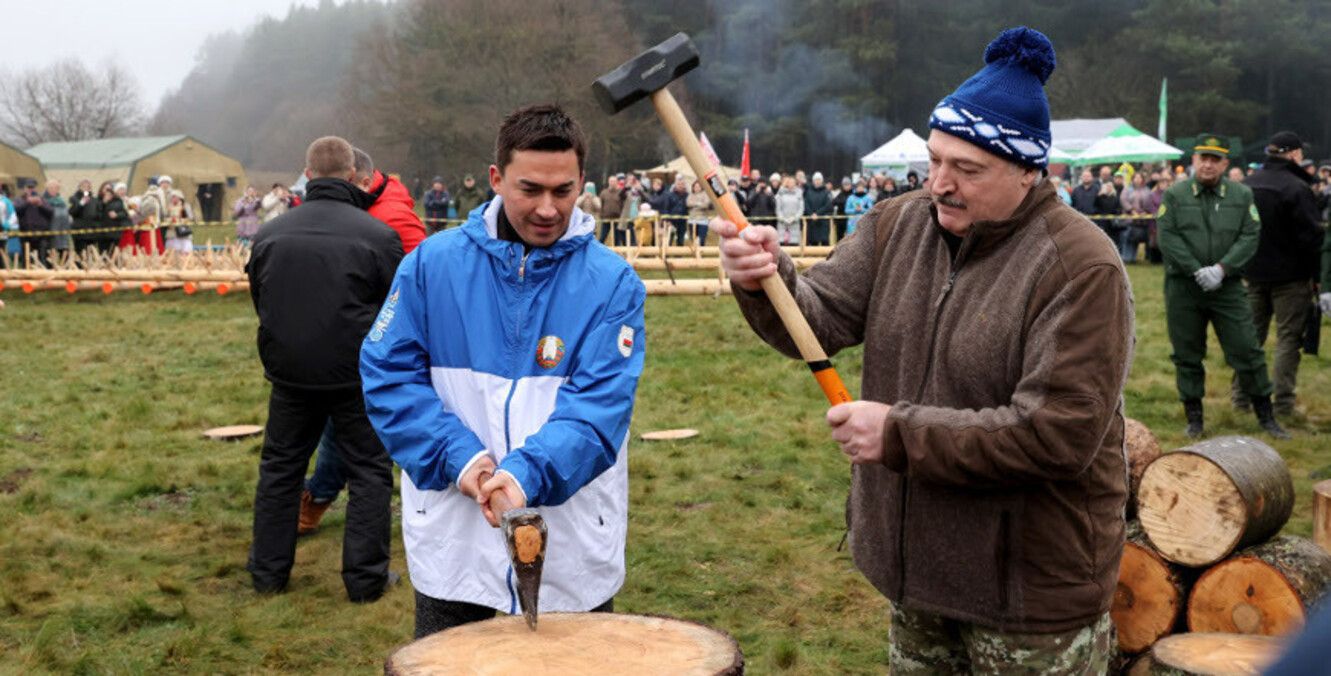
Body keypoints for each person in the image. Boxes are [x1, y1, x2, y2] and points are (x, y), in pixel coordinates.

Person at [715, 27, 1127, 673]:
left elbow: (1058, 434)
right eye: (935, 160)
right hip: (915, 568)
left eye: (966, 170)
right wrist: (767, 280)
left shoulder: (1079, 267)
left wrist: (899, 434)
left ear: (1027, 172)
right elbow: (816, 323)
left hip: (1026, 590)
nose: (938, 183)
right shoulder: (896, 224)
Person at [360, 104, 645, 637]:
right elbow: (389, 376)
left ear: (583, 180)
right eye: (529, 189)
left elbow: (599, 410)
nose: (547, 208)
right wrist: (462, 460)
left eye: (563, 191)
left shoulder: (613, 284)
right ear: (496, 179)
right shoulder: (428, 266)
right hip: (455, 535)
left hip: (571, 539)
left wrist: (521, 476)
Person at [245, 135, 402, 602]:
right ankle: (365, 580)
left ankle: (267, 573)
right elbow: (396, 307)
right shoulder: (378, 237)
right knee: (370, 472)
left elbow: (262, 299)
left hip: (291, 372)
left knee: (280, 468)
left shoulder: (269, 234)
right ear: (354, 176)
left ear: (307, 175)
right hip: (357, 374)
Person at [1156, 133, 1288, 439]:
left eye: (1215, 159)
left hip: (1226, 288)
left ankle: (1265, 416)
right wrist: (1195, 269)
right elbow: (1168, 236)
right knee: (1187, 353)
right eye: (1203, 157)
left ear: (1225, 163)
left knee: (1247, 349)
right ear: (1194, 160)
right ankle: (1194, 418)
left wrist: (1222, 268)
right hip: (1183, 289)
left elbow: (1250, 234)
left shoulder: (1241, 196)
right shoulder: (1175, 195)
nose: (1208, 164)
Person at [1232, 132, 1324, 418]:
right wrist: (1316, 275)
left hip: (1252, 273)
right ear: (1295, 154)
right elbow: (1311, 238)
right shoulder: (1297, 187)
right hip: (1291, 277)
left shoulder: (1247, 185)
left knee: (1250, 339)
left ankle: (1240, 398)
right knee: (1288, 340)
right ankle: (1283, 403)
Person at [15, 180, 54, 266]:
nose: (30, 190)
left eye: (32, 188)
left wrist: (40, 205)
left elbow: (51, 212)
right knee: (27, 259)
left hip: (42, 235)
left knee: (43, 259)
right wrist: (27, 202)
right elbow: (16, 210)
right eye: (28, 188)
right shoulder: (19, 199)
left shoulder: (42, 199)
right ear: (24, 189)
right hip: (26, 235)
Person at [68, 179, 103, 255]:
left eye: (88, 187)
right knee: (81, 254)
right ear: (79, 187)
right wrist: (81, 203)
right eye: (84, 186)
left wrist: (96, 220)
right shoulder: (74, 199)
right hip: (79, 232)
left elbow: (100, 214)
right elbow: (72, 212)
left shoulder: (95, 200)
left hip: (92, 232)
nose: (86, 188)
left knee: (91, 254)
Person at [803, 172, 834, 246]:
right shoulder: (808, 192)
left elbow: (828, 205)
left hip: (823, 221)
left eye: (819, 180)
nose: (817, 181)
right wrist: (811, 214)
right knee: (813, 243)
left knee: (825, 242)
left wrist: (817, 214)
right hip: (812, 222)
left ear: (822, 181)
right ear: (813, 181)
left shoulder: (826, 192)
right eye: (816, 180)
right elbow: (806, 204)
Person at [774, 175, 804, 246]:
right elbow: (778, 208)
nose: (791, 184)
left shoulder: (799, 193)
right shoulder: (780, 193)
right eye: (789, 182)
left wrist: (794, 218)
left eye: (793, 182)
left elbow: (801, 209)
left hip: (795, 225)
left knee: (794, 246)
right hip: (782, 225)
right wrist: (783, 219)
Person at [686, 180, 712, 246]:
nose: (697, 188)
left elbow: (706, 205)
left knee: (701, 239)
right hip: (692, 220)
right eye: (695, 187)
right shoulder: (691, 195)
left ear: (701, 187)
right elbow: (688, 203)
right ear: (693, 187)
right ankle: (695, 254)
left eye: (698, 187)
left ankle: (701, 252)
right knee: (693, 238)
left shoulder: (705, 195)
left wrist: (695, 204)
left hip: (702, 220)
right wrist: (699, 204)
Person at [599, 176, 624, 244]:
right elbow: (600, 204)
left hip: (617, 219)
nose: (612, 183)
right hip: (606, 219)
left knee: (617, 238)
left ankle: (617, 253)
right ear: (608, 182)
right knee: (602, 237)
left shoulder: (621, 192)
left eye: (614, 181)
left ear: (617, 182)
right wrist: (601, 215)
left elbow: (623, 205)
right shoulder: (603, 193)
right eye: (611, 181)